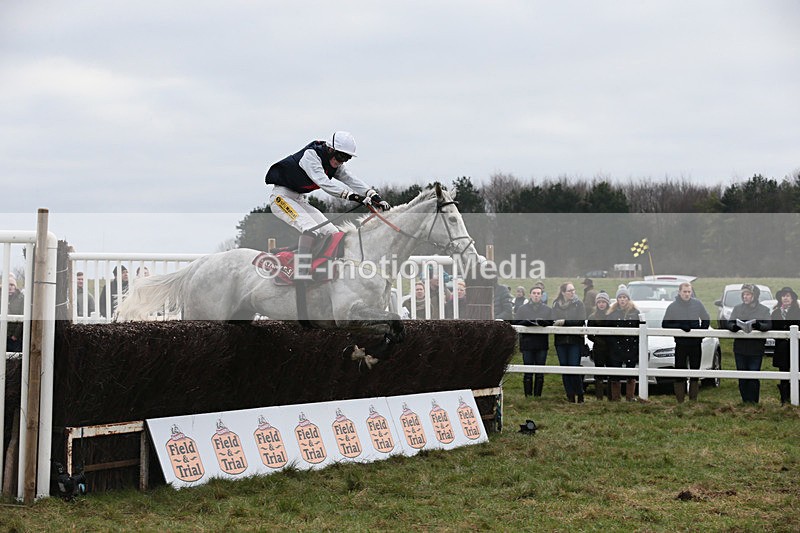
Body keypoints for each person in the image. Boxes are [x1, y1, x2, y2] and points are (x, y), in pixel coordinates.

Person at [264, 131, 390, 274]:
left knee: (332, 233)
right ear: (330, 149)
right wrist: (353, 197)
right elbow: (323, 183)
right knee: (311, 229)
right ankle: (301, 273)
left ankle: (318, 266)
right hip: (281, 198)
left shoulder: (333, 162)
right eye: (341, 156)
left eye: (346, 158)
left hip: (298, 199)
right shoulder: (311, 156)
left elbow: (351, 179)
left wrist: (374, 196)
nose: (341, 162)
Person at [662, 282, 711, 402]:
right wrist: (680, 326)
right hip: (681, 344)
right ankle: (680, 400)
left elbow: (706, 318)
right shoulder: (673, 306)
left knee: (695, 370)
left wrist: (700, 333)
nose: (687, 294)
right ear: (679, 292)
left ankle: (693, 400)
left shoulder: (697, 304)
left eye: (689, 292)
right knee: (680, 371)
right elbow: (665, 324)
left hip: (696, 343)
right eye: (684, 292)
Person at [726, 283, 771, 404]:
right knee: (742, 377)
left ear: (754, 296)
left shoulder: (764, 310)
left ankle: (754, 402)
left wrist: (759, 326)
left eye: (748, 294)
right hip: (740, 348)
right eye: (744, 294)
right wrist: (734, 327)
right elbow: (729, 323)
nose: (745, 297)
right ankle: (745, 401)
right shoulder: (737, 309)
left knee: (753, 376)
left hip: (756, 349)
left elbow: (769, 325)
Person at [512, 286, 553, 397]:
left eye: (538, 293)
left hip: (541, 344)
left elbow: (551, 322)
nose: (536, 295)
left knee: (540, 372)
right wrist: (525, 322)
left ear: (541, 295)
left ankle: (538, 395)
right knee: (528, 371)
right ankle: (528, 395)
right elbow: (515, 323)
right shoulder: (522, 309)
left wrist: (544, 323)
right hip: (527, 344)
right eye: (534, 293)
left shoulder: (547, 310)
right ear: (530, 295)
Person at [551, 282, 587, 403]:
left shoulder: (579, 304)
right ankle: (570, 395)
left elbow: (580, 320)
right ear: (563, 292)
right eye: (569, 290)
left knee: (573, 367)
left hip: (574, 341)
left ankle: (580, 393)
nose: (572, 292)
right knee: (564, 368)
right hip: (561, 341)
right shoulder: (556, 305)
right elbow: (553, 319)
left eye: (573, 290)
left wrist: (565, 322)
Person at [607, 287, 641, 401]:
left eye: (624, 297)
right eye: (620, 297)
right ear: (617, 299)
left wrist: (635, 346)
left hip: (631, 347)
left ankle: (630, 397)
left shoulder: (635, 313)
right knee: (615, 373)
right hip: (616, 347)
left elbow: (639, 330)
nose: (622, 300)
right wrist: (614, 346)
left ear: (628, 299)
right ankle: (616, 397)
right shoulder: (612, 314)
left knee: (631, 373)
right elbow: (609, 331)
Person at [770, 287, 800, 405]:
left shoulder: (798, 312)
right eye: (783, 296)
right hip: (781, 348)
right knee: (783, 373)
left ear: (792, 298)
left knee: (797, 372)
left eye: (788, 296)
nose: (785, 298)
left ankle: (796, 399)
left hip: (797, 348)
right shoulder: (776, 313)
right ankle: (784, 400)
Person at [587, 291, 612, 400]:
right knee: (599, 372)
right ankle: (599, 397)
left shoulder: (612, 315)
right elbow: (589, 334)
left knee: (612, 372)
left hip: (611, 348)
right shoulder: (592, 317)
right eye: (599, 302)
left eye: (603, 302)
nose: (601, 304)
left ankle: (612, 396)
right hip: (598, 348)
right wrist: (599, 341)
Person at [4, 274, 25, 352]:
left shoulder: (21, 298)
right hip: (2, 333)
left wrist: (15, 335)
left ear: (15, 286)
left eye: (12, 285)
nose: (10, 287)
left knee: (14, 358)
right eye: (8, 284)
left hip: (14, 337)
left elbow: (23, 316)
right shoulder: (2, 297)